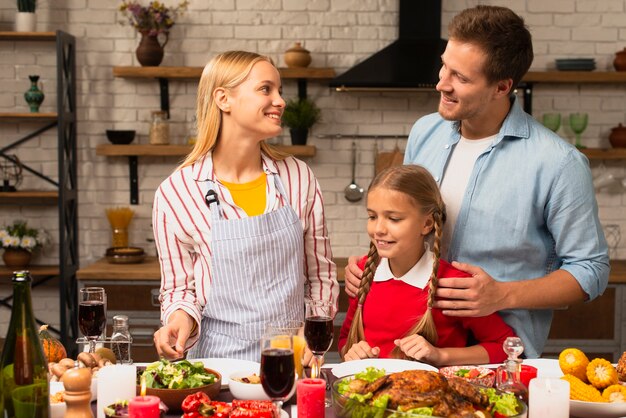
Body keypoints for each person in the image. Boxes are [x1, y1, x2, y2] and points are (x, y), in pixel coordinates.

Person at [344, 5, 609, 359]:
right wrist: (373, 265)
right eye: (444, 66)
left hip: (497, 361)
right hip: (414, 357)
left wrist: (503, 295)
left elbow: (590, 270)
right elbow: (405, 218)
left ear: (502, 87)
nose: (442, 83)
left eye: (462, 78)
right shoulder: (425, 132)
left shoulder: (558, 163)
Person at [152, 51, 338, 361]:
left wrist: (314, 333)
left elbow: (321, 275)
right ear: (223, 99)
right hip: (216, 365)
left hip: (288, 361)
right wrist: (179, 319)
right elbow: (179, 289)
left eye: (280, 90)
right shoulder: (176, 193)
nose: (280, 101)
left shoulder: (298, 177)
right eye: (266, 89)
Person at [339, 165, 516, 365]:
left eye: (394, 219)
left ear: (427, 224)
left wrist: (440, 355)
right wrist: (352, 352)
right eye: (372, 217)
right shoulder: (362, 273)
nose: (378, 229)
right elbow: (345, 340)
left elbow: (504, 346)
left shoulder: (454, 284)